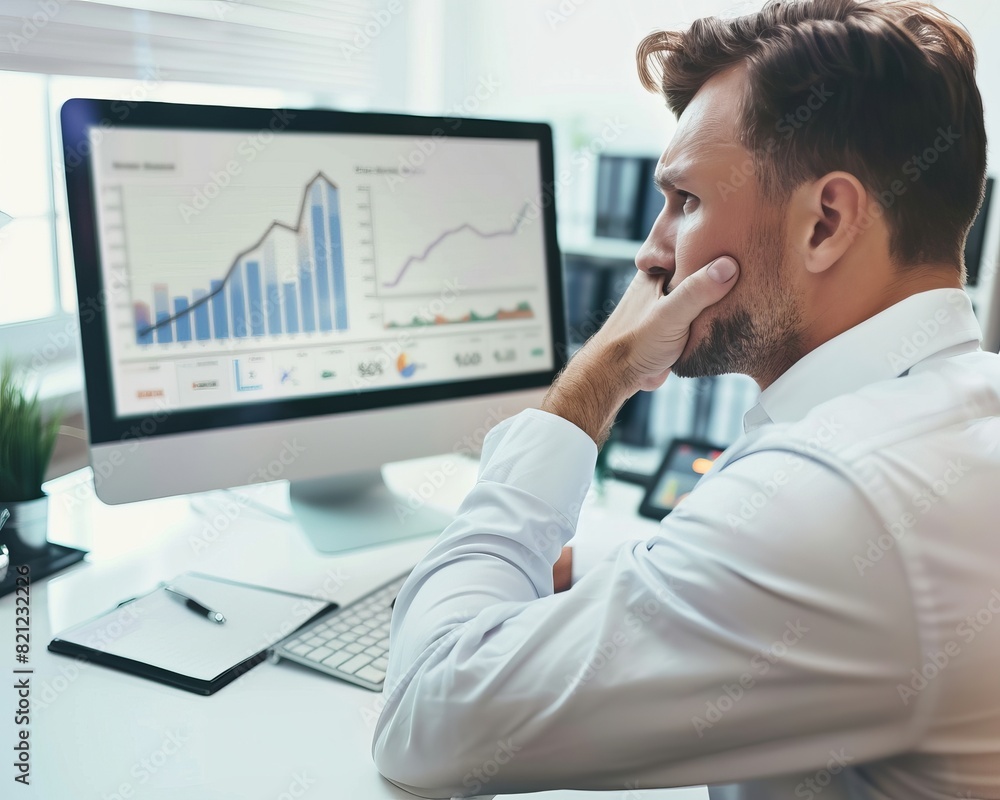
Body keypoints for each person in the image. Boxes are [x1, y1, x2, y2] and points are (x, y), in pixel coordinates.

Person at [372, 0, 1000, 797]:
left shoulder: (841, 491)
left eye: (686, 202)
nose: (650, 252)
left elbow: (427, 721)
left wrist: (592, 382)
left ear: (826, 222)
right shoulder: (955, 414)